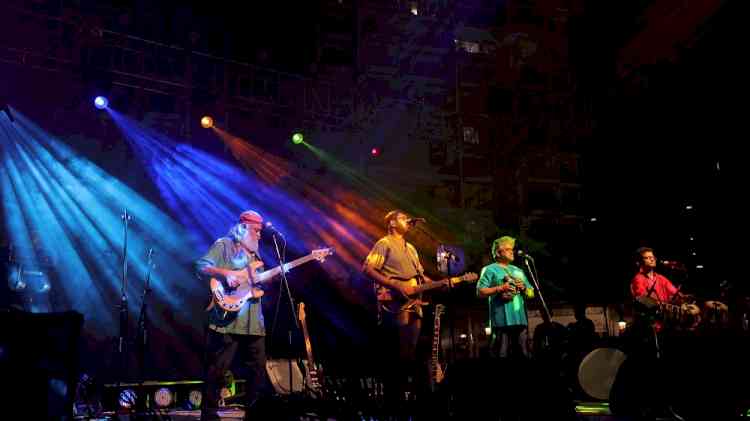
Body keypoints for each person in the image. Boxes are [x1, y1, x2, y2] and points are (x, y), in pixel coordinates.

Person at [196, 210, 268, 420]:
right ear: (243, 228)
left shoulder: (256, 255)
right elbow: (201, 266)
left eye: (260, 231)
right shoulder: (224, 245)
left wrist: (265, 280)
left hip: (254, 320)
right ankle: (208, 414)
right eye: (256, 230)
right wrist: (226, 274)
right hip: (229, 319)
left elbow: (255, 286)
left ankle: (254, 414)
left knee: (258, 368)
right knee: (218, 368)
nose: (259, 235)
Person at [362, 210, 434, 405]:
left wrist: (441, 282)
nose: (408, 220)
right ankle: (395, 400)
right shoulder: (384, 244)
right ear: (392, 223)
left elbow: (420, 277)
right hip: (396, 303)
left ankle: (414, 399)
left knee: (412, 351)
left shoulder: (411, 248)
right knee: (399, 352)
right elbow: (367, 268)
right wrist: (395, 285)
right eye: (403, 218)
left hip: (415, 304)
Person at [476, 236, 534, 359]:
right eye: (508, 249)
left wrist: (524, 288)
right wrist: (500, 288)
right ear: (498, 252)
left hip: (520, 321)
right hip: (501, 322)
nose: (511, 251)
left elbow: (531, 293)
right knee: (501, 356)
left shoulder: (518, 270)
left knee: (523, 355)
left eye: (512, 249)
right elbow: (480, 292)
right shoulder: (489, 269)